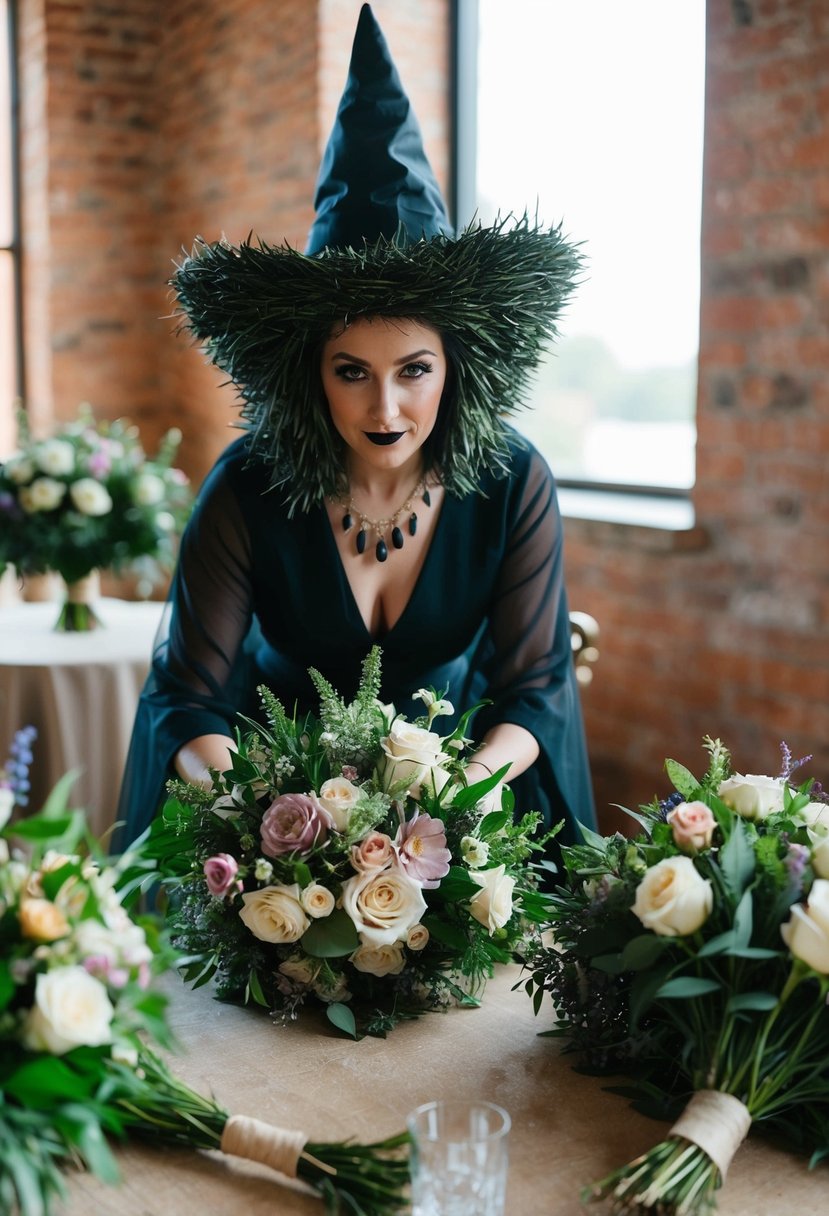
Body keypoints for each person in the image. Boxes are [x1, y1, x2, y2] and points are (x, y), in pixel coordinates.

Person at [116, 3, 596, 863]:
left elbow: (534, 692)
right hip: (268, 819)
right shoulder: (246, 485)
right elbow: (188, 700)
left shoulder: (513, 479)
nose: (384, 411)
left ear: (456, 368)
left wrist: (455, 797)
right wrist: (270, 818)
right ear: (311, 373)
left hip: (461, 806)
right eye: (351, 372)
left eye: (413, 370)